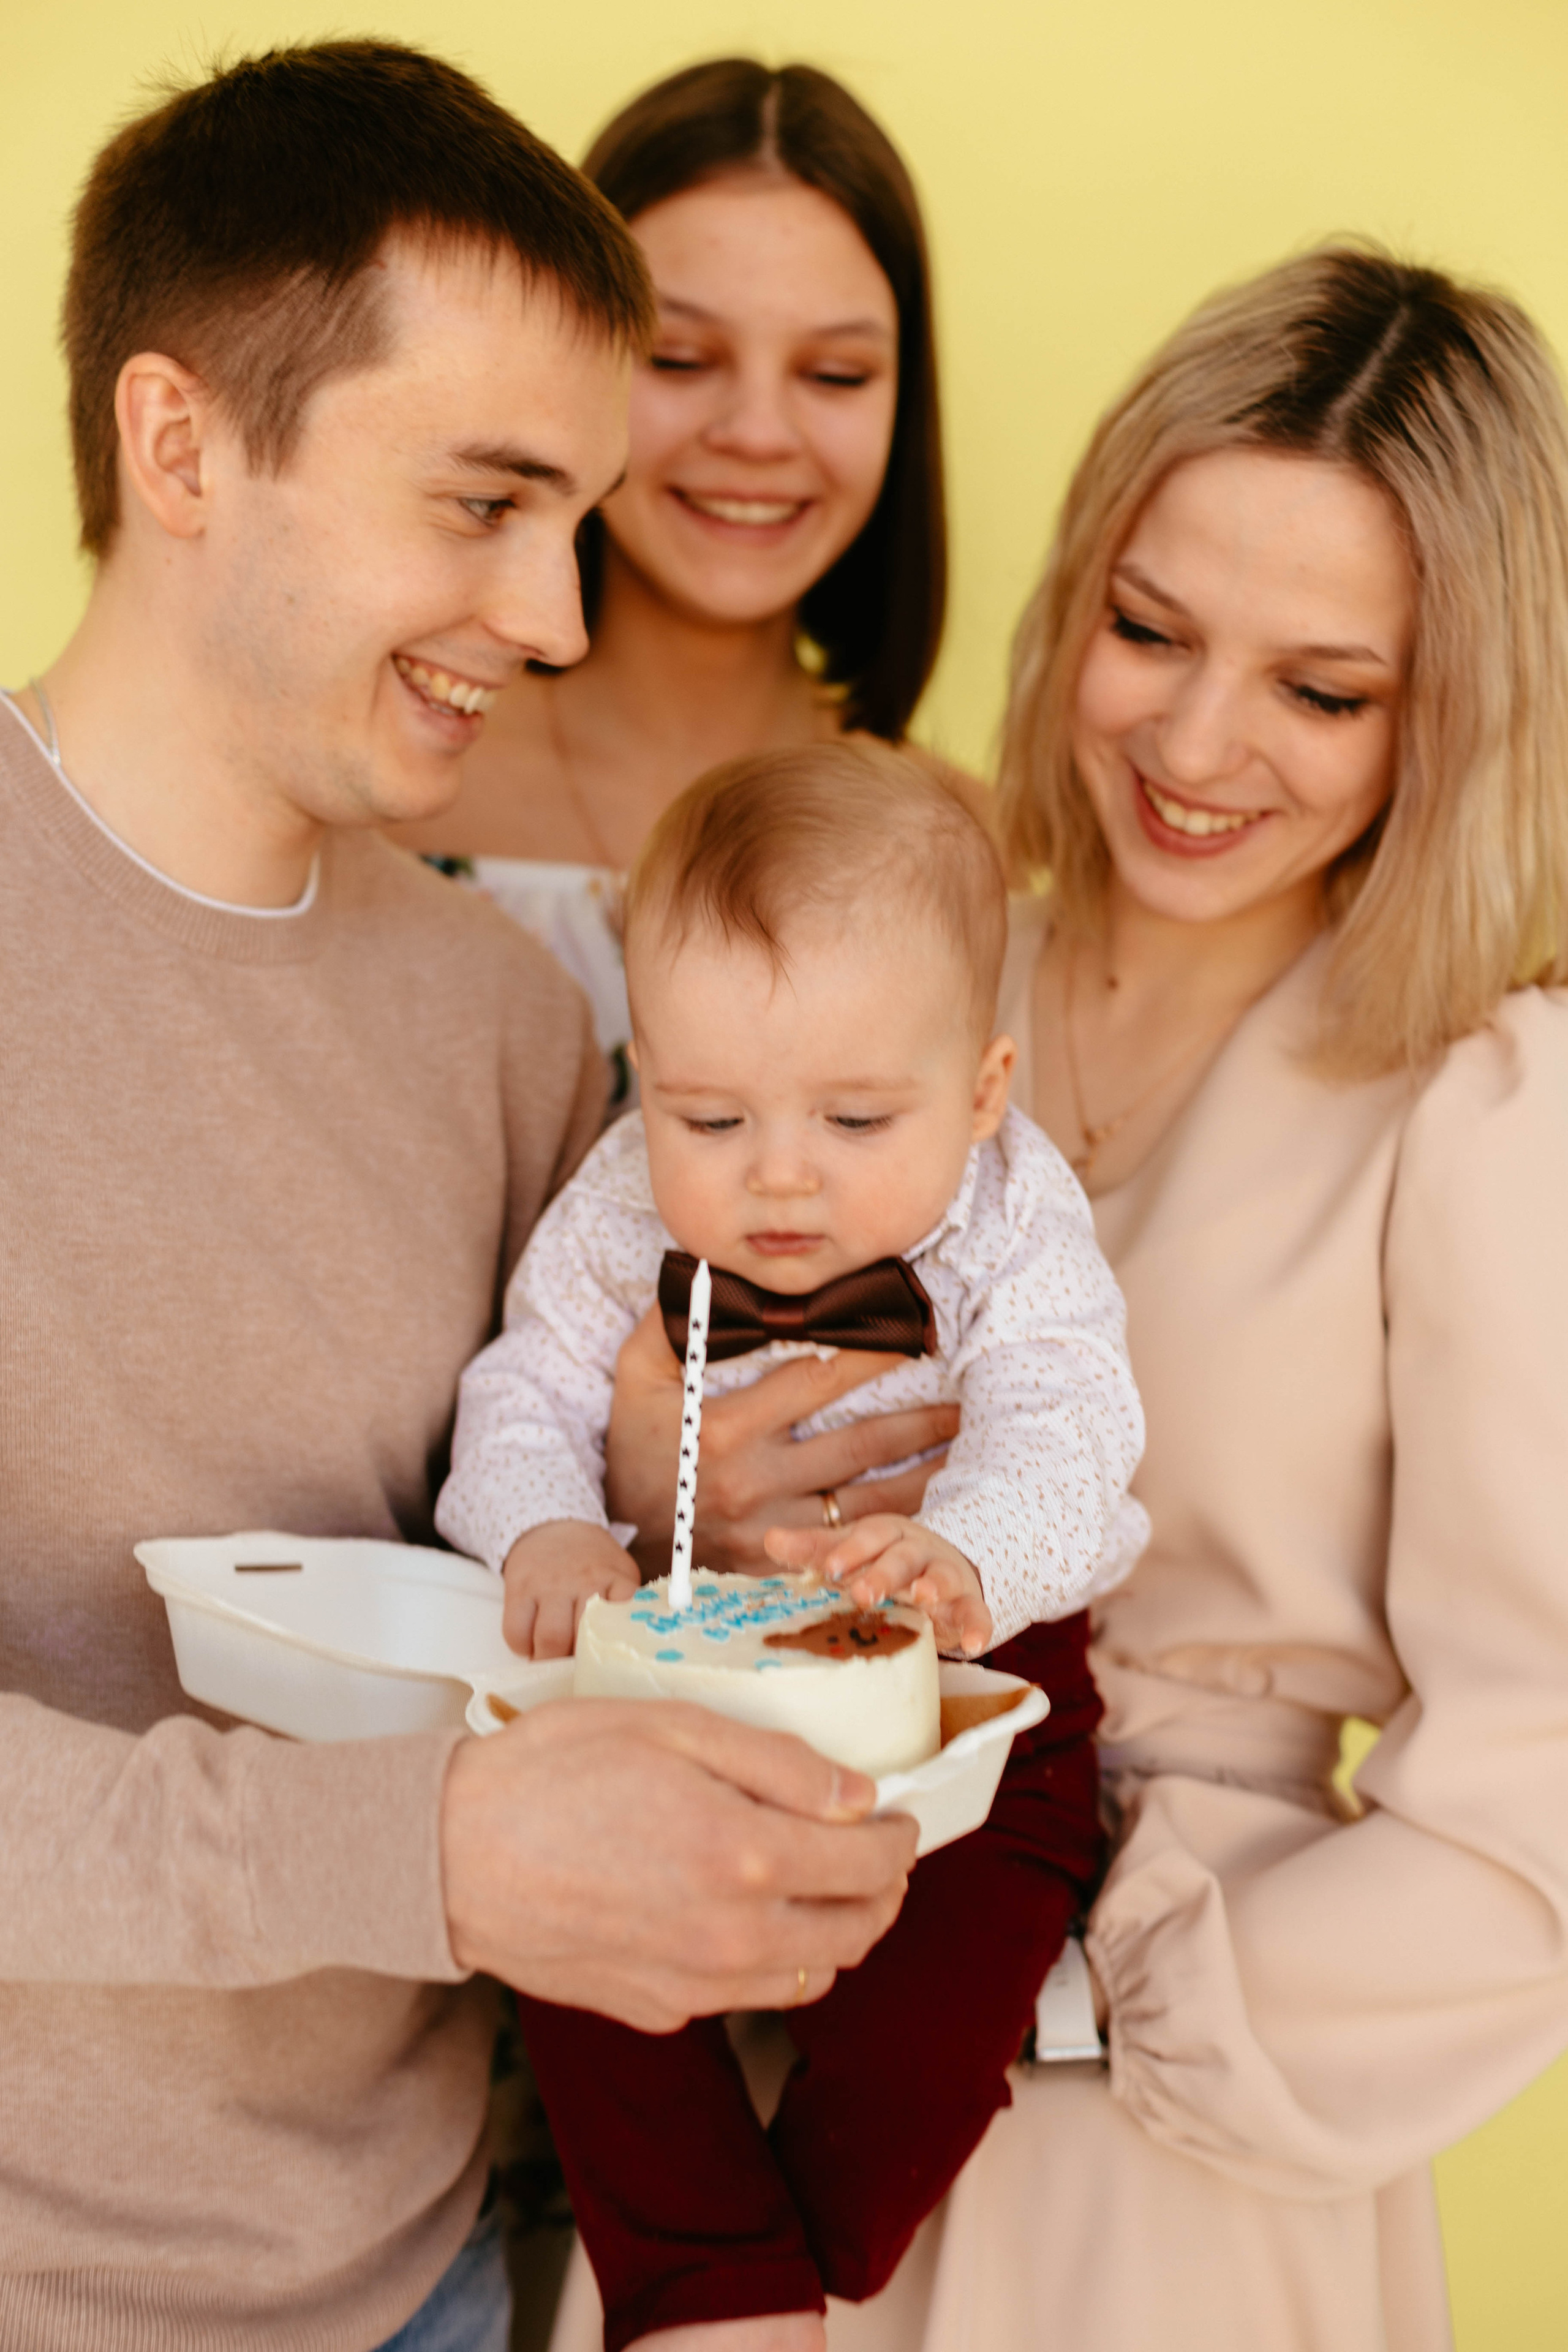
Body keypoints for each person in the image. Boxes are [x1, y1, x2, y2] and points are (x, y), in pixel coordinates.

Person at [0, 42, 920, 2352]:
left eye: (570, 516)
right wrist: (418, 1858)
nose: (560, 614)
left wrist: (682, 1525)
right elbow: (432, 1822)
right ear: (182, 442)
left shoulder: (504, 1023)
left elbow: (486, 1588)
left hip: (420, 2279)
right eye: (486, 502)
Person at [572, 244, 1568, 2352]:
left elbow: (1545, 1770)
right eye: (1150, 630)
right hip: (739, 2041)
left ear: (1456, 716)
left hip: (1150, 2153)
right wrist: (685, 1506)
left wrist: (1123, 1999)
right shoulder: (904, 982)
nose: (1199, 746)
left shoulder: (1487, 1098)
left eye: (1324, 689)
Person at [435, 741, 1145, 2352]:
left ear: (980, 1089)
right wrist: (544, 1521)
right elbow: (529, 1381)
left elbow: (1069, 1417)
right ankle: (709, 2289)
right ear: (649, 1073)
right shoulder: (623, 1199)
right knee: (588, 1971)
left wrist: (968, 1552)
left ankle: (818, 2234)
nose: (776, 1175)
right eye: (711, 1111)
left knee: (941, 2020)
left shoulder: (1014, 1220)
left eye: (853, 1116)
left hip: (974, 1682)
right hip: (689, 1658)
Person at [391, 58, 946, 1105]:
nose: (757, 435)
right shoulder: (396, 782)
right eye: (681, 358)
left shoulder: (959, 847)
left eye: (835, 376)